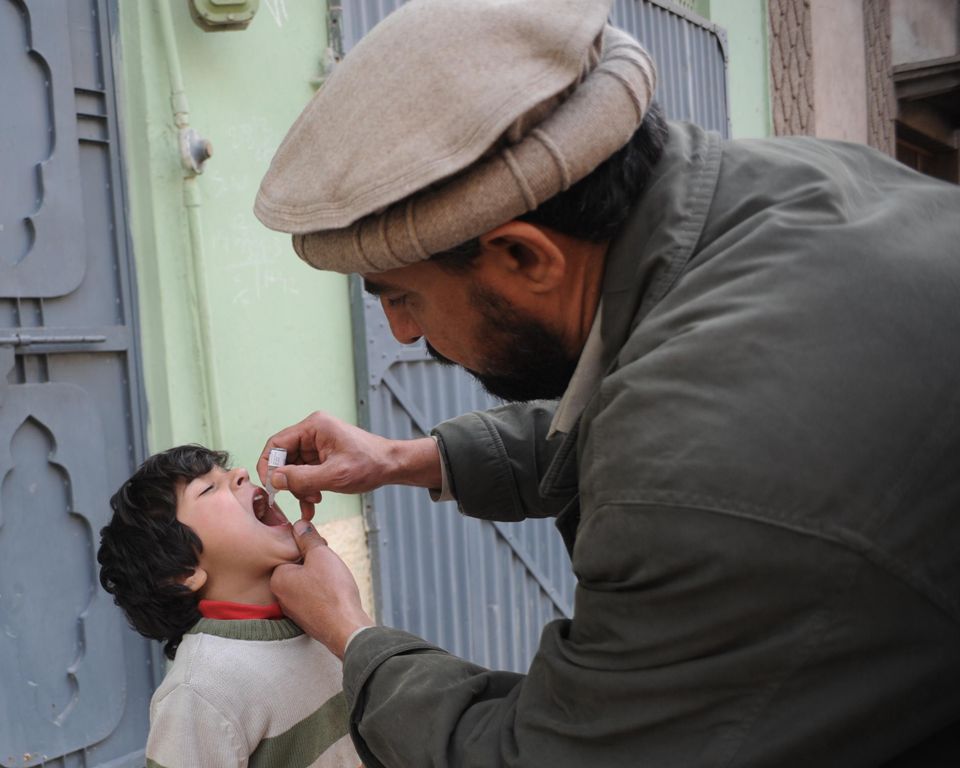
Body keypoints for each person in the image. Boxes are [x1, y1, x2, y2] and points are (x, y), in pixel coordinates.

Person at [253, 0, 960, 765]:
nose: (402, 335)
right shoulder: (786, 188)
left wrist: (351, 635)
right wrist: (402, 459)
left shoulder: (700, 463)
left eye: (402, 296)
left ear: (525, 257)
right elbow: (655, 414)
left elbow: (550, 755)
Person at [97, 445, 360, 768]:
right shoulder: (199, 692)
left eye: (227, 472)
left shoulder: (322, 617)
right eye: (209, 488)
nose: (242, 474)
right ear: (183, 573)